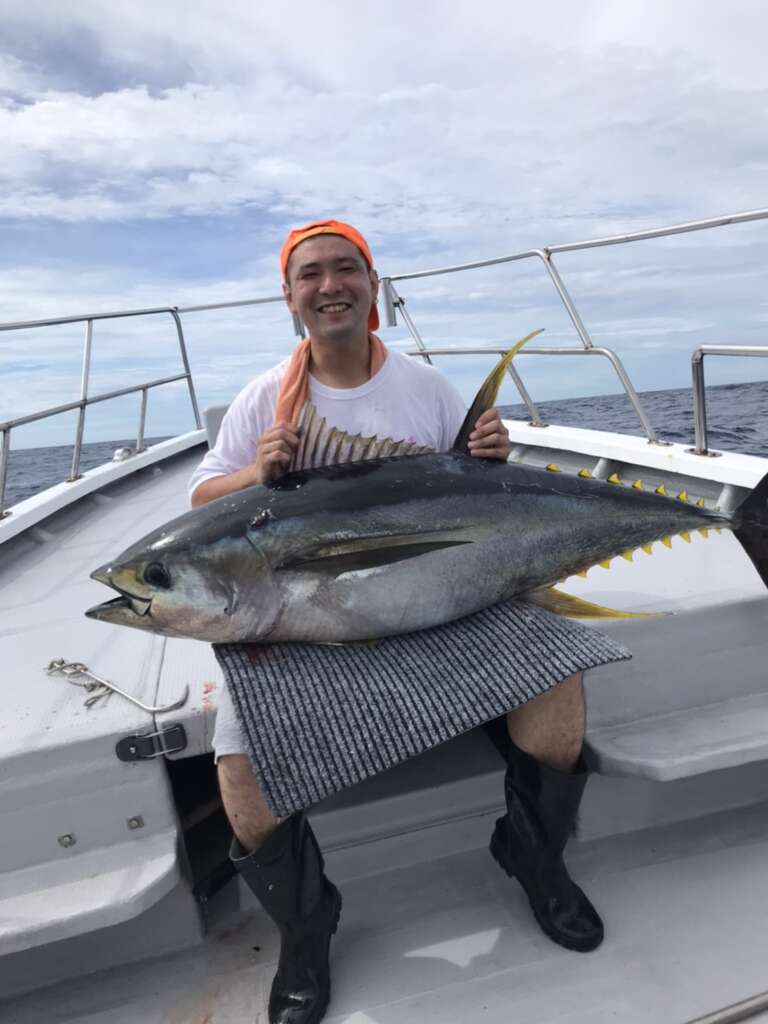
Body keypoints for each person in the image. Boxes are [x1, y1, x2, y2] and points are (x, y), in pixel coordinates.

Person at [189, 220, 602, 1024]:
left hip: (436, 598)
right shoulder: (262, 399)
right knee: (237, 763)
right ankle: (306, 930)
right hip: (307, 617)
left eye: (348, 269)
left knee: (558, 677)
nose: (330, 284)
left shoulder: (425, 387)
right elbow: (205, 499)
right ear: (290, 297)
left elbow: (476, 493)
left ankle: (532, 855)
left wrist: (492, 447)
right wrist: (253, 472)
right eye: (311, 274)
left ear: (374, 288)